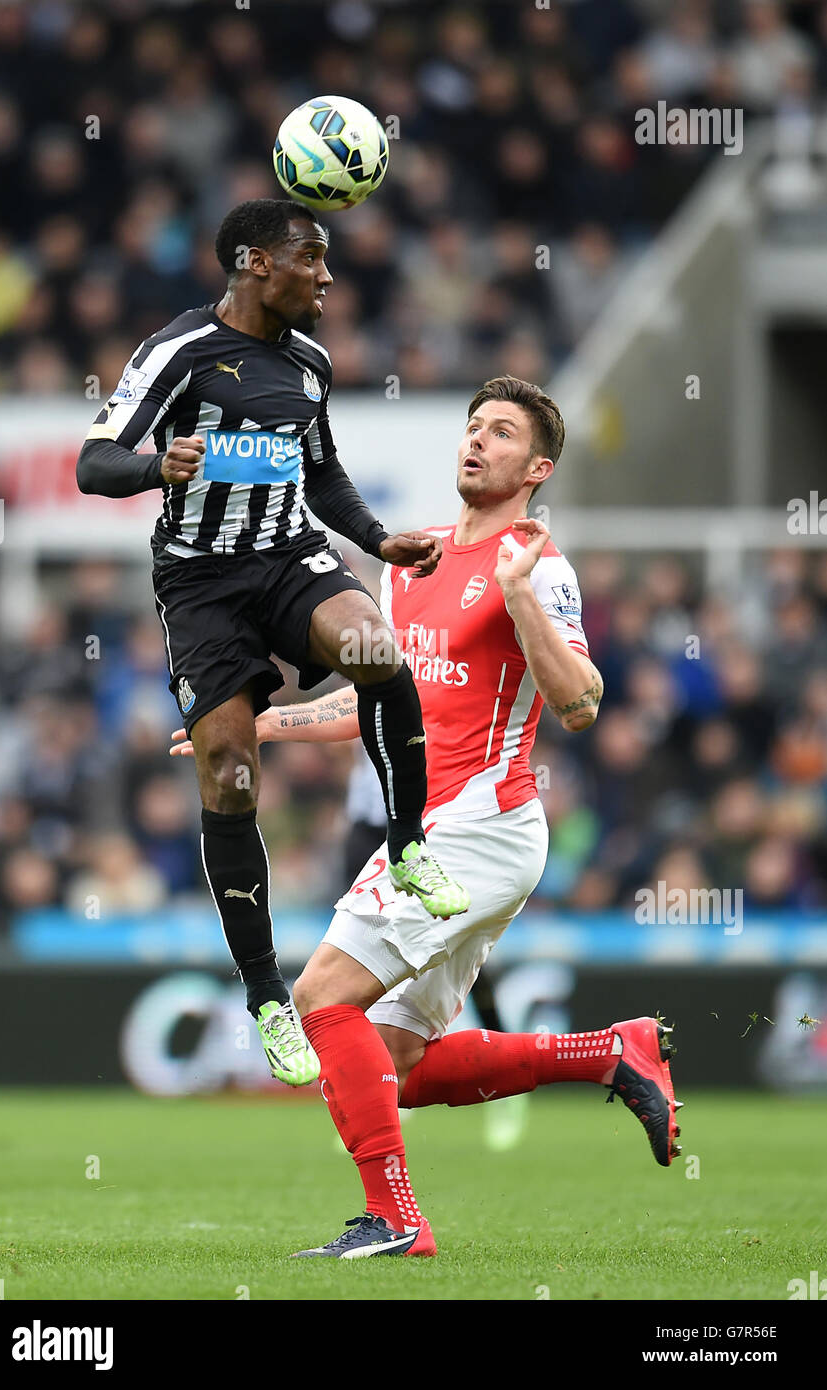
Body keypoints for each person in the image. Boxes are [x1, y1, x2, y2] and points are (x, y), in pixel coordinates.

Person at [171, 375, 682, 1258]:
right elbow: (379, 708)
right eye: (472, 426)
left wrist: (520, 597)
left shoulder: (537, 566)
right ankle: (609, 1051)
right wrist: (258, 724)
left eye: (501, 433)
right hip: (442, 833)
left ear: (538, 468)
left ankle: (397, 1221)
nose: (476, 441)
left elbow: (582, 704)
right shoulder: (409, 563)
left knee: (321, 998)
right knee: (393, 1062)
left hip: (478, 823)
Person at [76, 198, 468, 1089]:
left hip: (290, 557)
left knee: (375, 646)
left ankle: (406, 845)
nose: (327, 277)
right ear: (256, 263)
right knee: (229, 773)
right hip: (202, 585)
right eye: (312, 259)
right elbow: (92, 464)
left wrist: (377, 542)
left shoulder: (311, 364)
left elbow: (318, 470)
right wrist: (155, 467)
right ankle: (264, 994)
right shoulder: (179, 352)